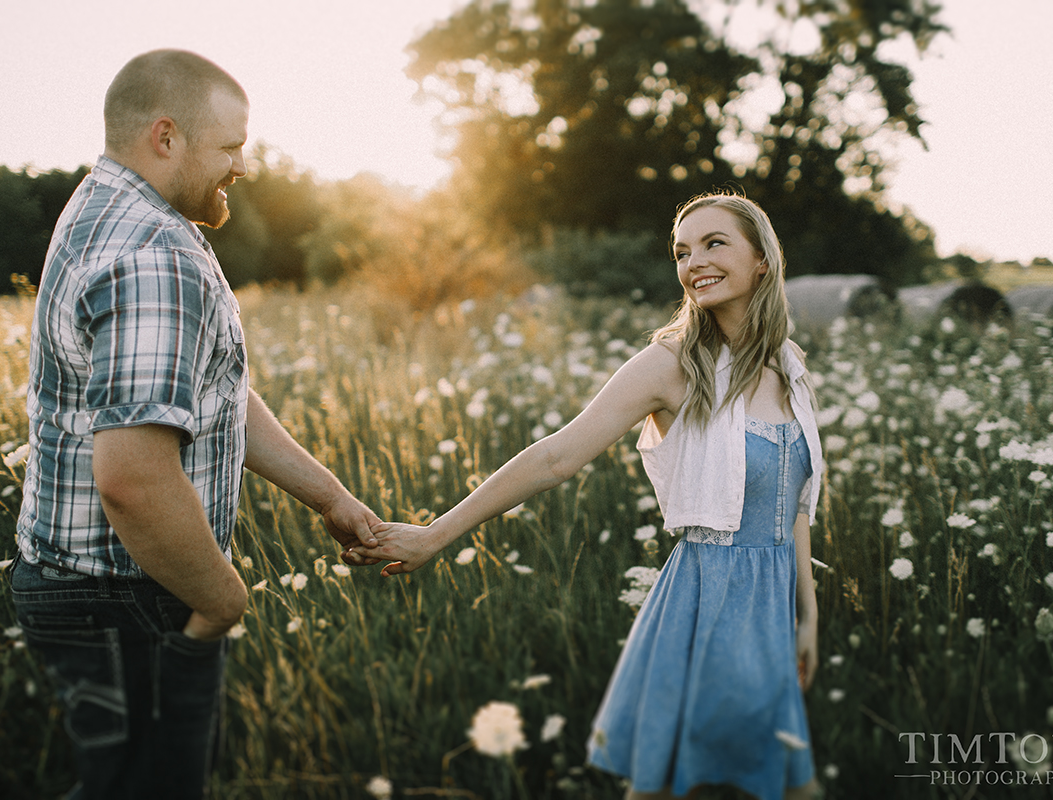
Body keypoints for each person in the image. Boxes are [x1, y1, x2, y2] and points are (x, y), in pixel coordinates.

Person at [353, 192, 824, 800]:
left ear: (762, 259)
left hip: (771, 609)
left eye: (713, 244)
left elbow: (797, 507)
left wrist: (807, 617)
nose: (693, 262)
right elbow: (554, 457)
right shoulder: (670, 365)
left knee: (784, 783)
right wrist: (434, 534)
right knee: (668, 786)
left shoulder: (790, 366)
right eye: (681, 252)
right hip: (705, 603)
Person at [11, 49, 381, 799]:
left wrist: (330, 498)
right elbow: (133, 480)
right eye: (231, 147)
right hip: (125, 594)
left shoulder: (106, 207)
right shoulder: (153, 256)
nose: (243, 167)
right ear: (167, 136)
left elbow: (214, 394)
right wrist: (223, 601)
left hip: (87, 585)